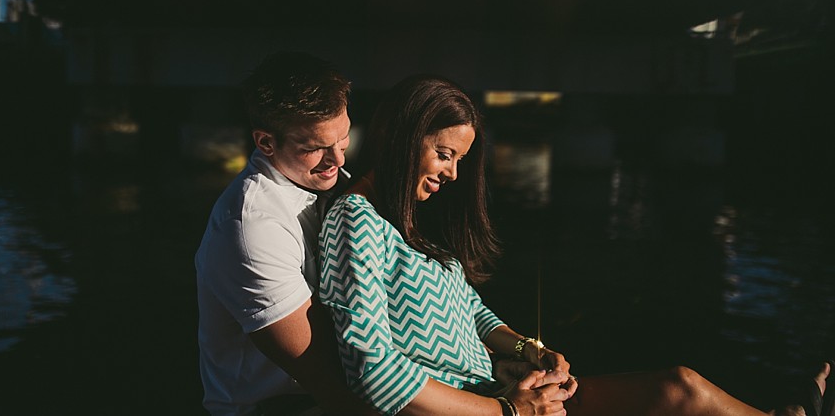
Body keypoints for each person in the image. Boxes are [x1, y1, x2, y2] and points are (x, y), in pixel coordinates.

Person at [318, 73, 834, 416]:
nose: (453, 173)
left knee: (680, 385)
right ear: (407, 137)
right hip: (489, 407)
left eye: (459, 160)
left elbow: (469, 310)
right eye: (444, 154)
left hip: (500, 390)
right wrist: (512, 410)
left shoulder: (408, 220)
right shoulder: (357, 220)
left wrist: (528, 351)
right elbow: (373, 371)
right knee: (678, 397)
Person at [194, 51, 376, 416]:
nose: (337, 160)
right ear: (266, 143)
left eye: (342, 140)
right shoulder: (251, 228)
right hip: (276, 406)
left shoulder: (332, 183)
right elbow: (319, 372)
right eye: (313, 148)